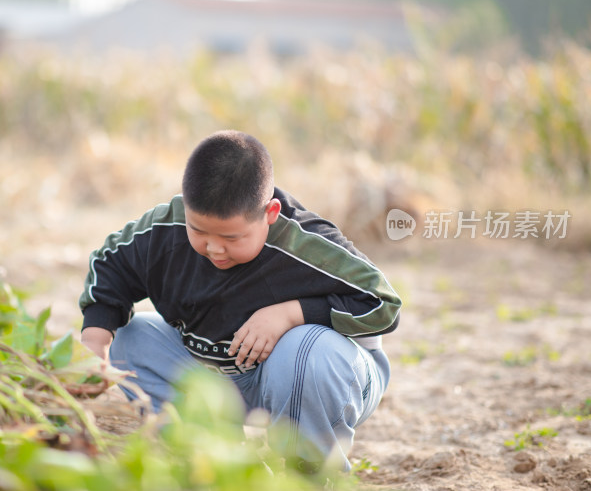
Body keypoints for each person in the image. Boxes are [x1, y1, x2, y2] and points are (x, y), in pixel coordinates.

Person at [79, 129, 401, 472]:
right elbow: (111, 264)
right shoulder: (164, 229)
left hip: (317, 380)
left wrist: (292, 314)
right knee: (131, 338)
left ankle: (309, 469)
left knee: (306, 347)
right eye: (199, 231)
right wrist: (93, 344)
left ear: (270, 213)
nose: (214, 248)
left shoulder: (307, 245)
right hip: (222, 377)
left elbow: (382, 303)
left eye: (232, 237)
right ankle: (219, 456)